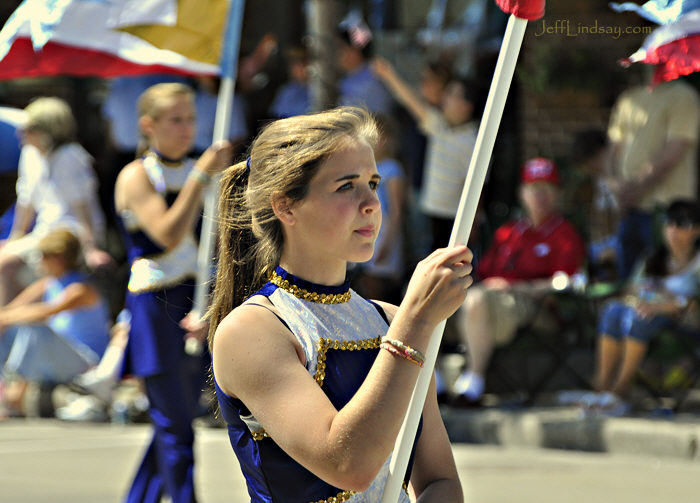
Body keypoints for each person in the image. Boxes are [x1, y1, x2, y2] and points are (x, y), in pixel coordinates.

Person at [208, 107, 471, 502]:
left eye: (373, 183)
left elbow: (440, 481)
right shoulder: (252, 331)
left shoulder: (392, 320)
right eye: (347, 186)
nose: (371, 203)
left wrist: (411, 322)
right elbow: (349, 465)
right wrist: (415, 324)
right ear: (286, 207)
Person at [114, 82, 231, 503]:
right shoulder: (136, 175)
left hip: (194, 301)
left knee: (176, 419)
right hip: (154, 304)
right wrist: (201, 176)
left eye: (191, 119)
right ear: (149, 125)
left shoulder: (201, 173)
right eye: (176, 120)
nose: (186, 129)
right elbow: (165, 233)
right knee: (176, 427)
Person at [452, 158, 586, 404]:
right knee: (443, 296)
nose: (540, 196)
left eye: (547, 188)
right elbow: (484, 272)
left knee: (476, 301)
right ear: (522, 193)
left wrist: (516, 287)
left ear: (557, 194)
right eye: (533, 188)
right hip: (488, 300)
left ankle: (473, 380)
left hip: (536, 307)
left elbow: (563, 283)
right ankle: (437, 382)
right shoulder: (509, 231)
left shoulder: (565, 234)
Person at [586, 199, 700, 416]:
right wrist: (642, 297)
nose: (673, 230)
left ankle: (620, 391)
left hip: (683, 326)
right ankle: (601, 387)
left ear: (696, 230)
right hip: (645, 314)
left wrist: (666, 304)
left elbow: (694, 302)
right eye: (669, 224)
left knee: (640, 318)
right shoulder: (652, 258)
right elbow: (630, 289)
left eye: (682, 224)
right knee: (613, 311)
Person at [0, 97, 111, 306]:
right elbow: (26, 202)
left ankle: (6, 324)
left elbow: (82, 208)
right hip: (45, 232)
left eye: (29, 129)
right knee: (5, 257)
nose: (21, 134)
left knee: (6, 265)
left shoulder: (71, 157)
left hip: (71, 234)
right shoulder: (30, 154)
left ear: (48, 131)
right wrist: (15, 237)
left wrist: (90, 248)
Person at [372, 57, 479, 252]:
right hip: (430, 212)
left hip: (454, 219)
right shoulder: (440, 126)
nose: (446, 98)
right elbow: (412, 101)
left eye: (453, 95)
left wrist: (472, 221)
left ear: (467, 106)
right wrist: (388, 74)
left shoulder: (474, 141)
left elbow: (475, 186)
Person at [0, 229, 110, 417]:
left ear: (58, 258)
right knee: (8, 331)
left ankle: (14, 396)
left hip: (86, 364)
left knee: (34, 327)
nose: (37, 261)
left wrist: (7, 318)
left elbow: (46, 312)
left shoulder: (81, 289)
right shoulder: (48, 283)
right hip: (60, 358)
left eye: (42, 256)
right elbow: (11, 310)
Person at [606, 74, 700, 280]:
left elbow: (674, 150)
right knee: (628, 283)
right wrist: (616, 187)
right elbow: (613, 149)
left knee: (661, 284)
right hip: (630, 209)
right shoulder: (628, 99)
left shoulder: (683, 96)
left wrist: (635, 189)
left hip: (667, 213)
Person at [352, 114, 406, 303]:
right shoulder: (363, 167)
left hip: (384, 231)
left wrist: (388, 244)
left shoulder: (392, 168)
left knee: (378, 285)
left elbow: (397, 210)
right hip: (366, 229)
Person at [337, 16, 393, 115]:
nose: (338, 53)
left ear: (355, 50)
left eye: (342, 47)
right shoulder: (351, 76)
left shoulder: (372, 80)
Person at [269, 46, 312, 119]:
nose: (293, 68)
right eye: (292, 64)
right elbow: (276, 118)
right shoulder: (287, 91)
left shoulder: (318, 90)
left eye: (298, 64)